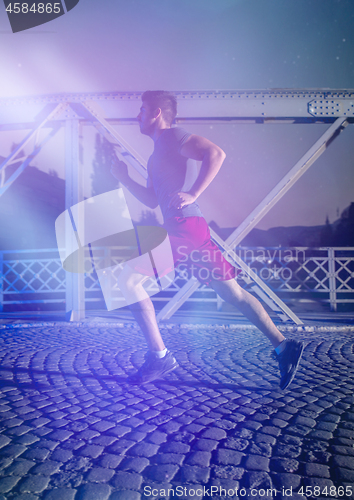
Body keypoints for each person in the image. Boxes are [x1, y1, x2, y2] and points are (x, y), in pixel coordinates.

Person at [110, 90, 303, 390]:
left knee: (128, 281)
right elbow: (151, 199)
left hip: (184, 228)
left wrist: (194, 193)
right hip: (192, 230)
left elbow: (216, 153)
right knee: (233, 294)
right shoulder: (154, 155)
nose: (137, 115)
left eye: (142, 109)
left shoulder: (173, 136)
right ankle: (283, 346)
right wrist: (124, 178)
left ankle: (159, 356)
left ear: (156, 113)